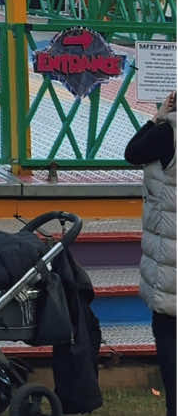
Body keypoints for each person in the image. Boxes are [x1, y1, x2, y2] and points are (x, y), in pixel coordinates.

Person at [125, 88, 176, 416]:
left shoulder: (166, 132)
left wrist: (157, 117)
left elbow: (132, 152)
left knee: (171, 340)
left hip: (171, 257)